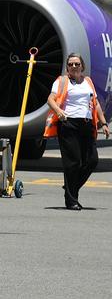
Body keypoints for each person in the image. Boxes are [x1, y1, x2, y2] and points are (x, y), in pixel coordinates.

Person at [45, 53, 109, 209]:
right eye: (71, 64)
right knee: (73, 163)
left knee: (92, 161)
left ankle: (70, 189)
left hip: (87, 125)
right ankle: (71, 200)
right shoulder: (61, 81)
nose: (74, 66)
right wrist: (59, 112)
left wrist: (104, 123)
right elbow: (50, 99)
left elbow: (96, 104)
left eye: (77, 64)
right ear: (67, 67)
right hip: (68, 124)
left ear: (82, 66)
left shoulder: (88, 81)